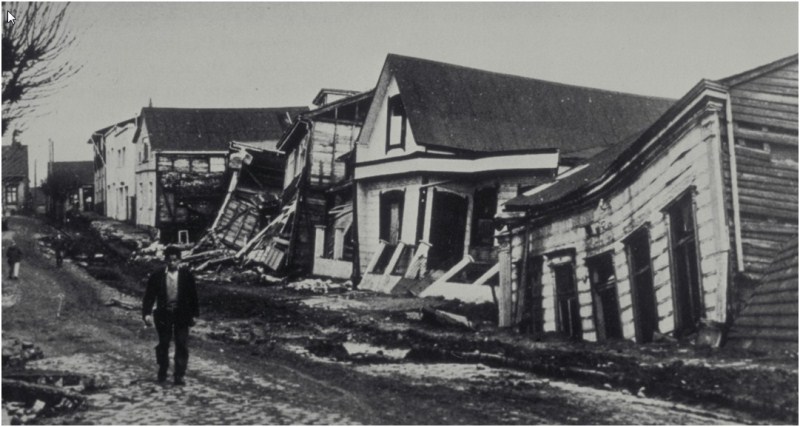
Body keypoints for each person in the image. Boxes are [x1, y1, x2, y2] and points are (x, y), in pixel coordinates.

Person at [142, 246, 199, 386]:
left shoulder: (186, 275)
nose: (172, 262)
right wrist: (147, 314)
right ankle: (163, 368)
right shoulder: (158, 275)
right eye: (169, 260)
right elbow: (149, 295)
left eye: (175, 260)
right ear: (165, 260)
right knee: (164, 343)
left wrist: (194, 315)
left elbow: (193, 296)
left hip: (181, 314)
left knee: (181, 343)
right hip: (163, 314)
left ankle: (179, 374)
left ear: (179, 260)